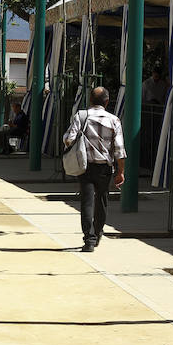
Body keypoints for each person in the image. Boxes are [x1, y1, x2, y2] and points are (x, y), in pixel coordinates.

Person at [63, 87, 127, 252]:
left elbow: (69, 139)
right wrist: (120, 172)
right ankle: (97, 232)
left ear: (90, 100)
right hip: (105, 168)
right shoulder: (114, 120)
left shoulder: (81, 116)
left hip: (85, 166)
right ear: (107, 102)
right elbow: (119, 149)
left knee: (87, 202)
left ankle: (89, 240)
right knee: (102, 201)